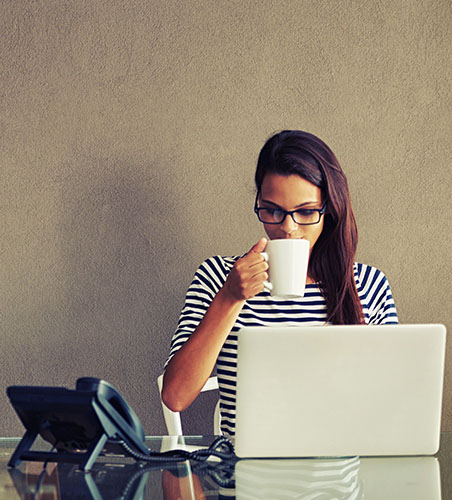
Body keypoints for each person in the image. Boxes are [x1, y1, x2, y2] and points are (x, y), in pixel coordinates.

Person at [162, 130, 398, 438]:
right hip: (244, 478)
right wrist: (230, 298)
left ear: (330, 208)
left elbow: (392, 405)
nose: (288, 228)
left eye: (306, 212)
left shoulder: (368, 286)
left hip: (338, 478)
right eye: (272, 210)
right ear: (259, 201)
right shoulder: (218, 276)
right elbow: (176, 396)